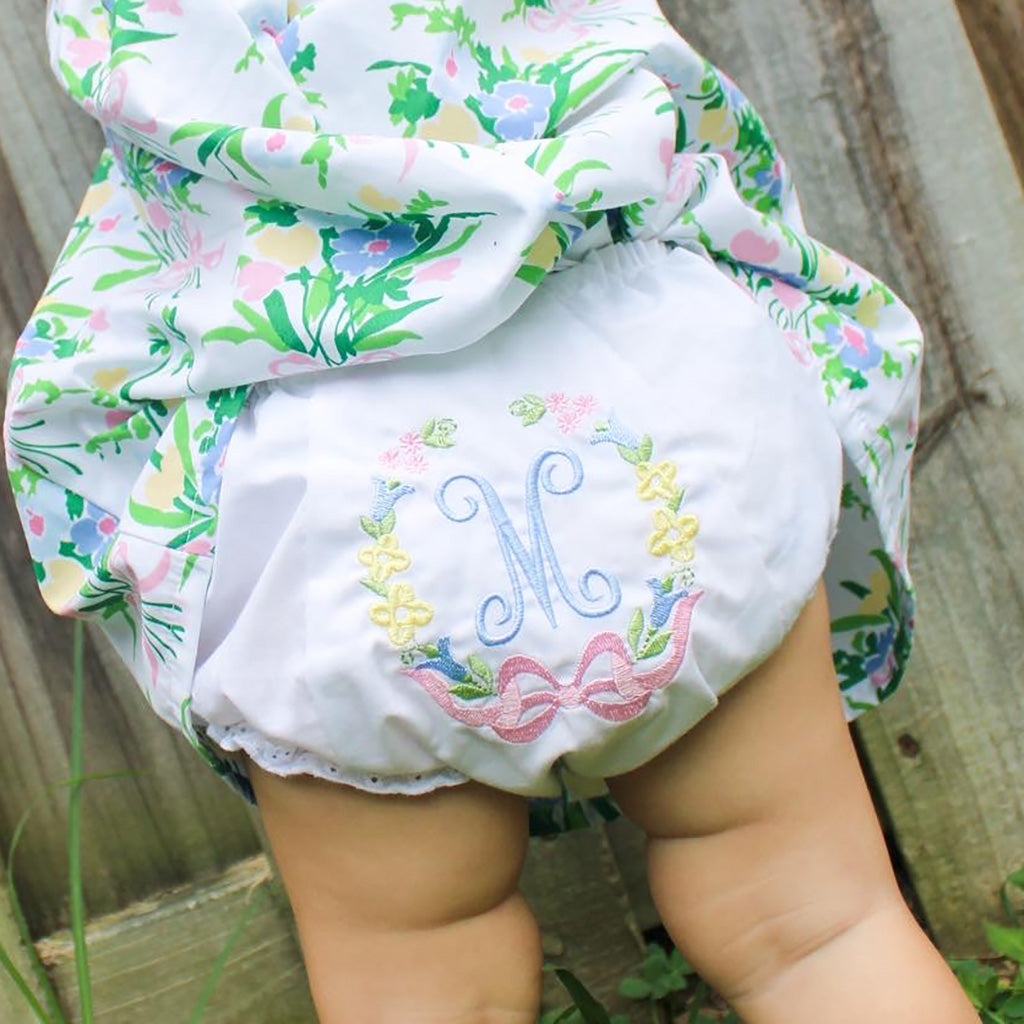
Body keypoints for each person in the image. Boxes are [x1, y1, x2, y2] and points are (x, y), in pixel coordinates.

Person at [3, 1, 978, 1021]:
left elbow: (94, 364)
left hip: (316, 489)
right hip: (657, 388)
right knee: (821, 925)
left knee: (419, 973)